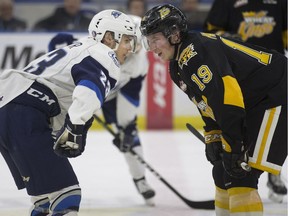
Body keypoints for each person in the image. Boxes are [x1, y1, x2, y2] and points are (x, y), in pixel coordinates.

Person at [140, 4, 287, 216]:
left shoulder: (196, 53)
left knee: (241, 175)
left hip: (277, 94)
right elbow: (208, 104)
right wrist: (213, 137)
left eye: (155, 39)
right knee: (222, 171)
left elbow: (229, 98)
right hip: (257, 102)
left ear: (174, 33)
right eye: (149, 41)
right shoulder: (178, 65)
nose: (152, 47)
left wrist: (235, 146)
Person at [0, 9, 136, 215]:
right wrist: (76, 126)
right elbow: (88, 88)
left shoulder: (82, 46)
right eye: (126, 40)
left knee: (45, 200)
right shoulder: (104, 54)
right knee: (67, 196)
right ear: (109, 38)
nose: (130, 48)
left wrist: (72, 124)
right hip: (24, 112)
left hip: (9, 108)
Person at [47, 15, 156, 206]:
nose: (132, 49)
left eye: (137, 44)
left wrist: (126, 127)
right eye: (129, 41)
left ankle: (140, 179)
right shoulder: (97, 47)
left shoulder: (139, 63)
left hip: (111, 96)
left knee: (129, 134)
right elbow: (60, 46)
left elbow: (130, 96)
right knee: (59, 128)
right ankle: (47, 180)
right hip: (87, 88)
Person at [203, 0, 287, 203]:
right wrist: (227, 40)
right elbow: (210, 32)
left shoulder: (280, 2)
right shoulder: (226, 2)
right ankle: (234, 169)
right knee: (239, 118)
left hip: (271, 72)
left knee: (271, 124)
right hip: (239, 71)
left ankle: (271, 172)